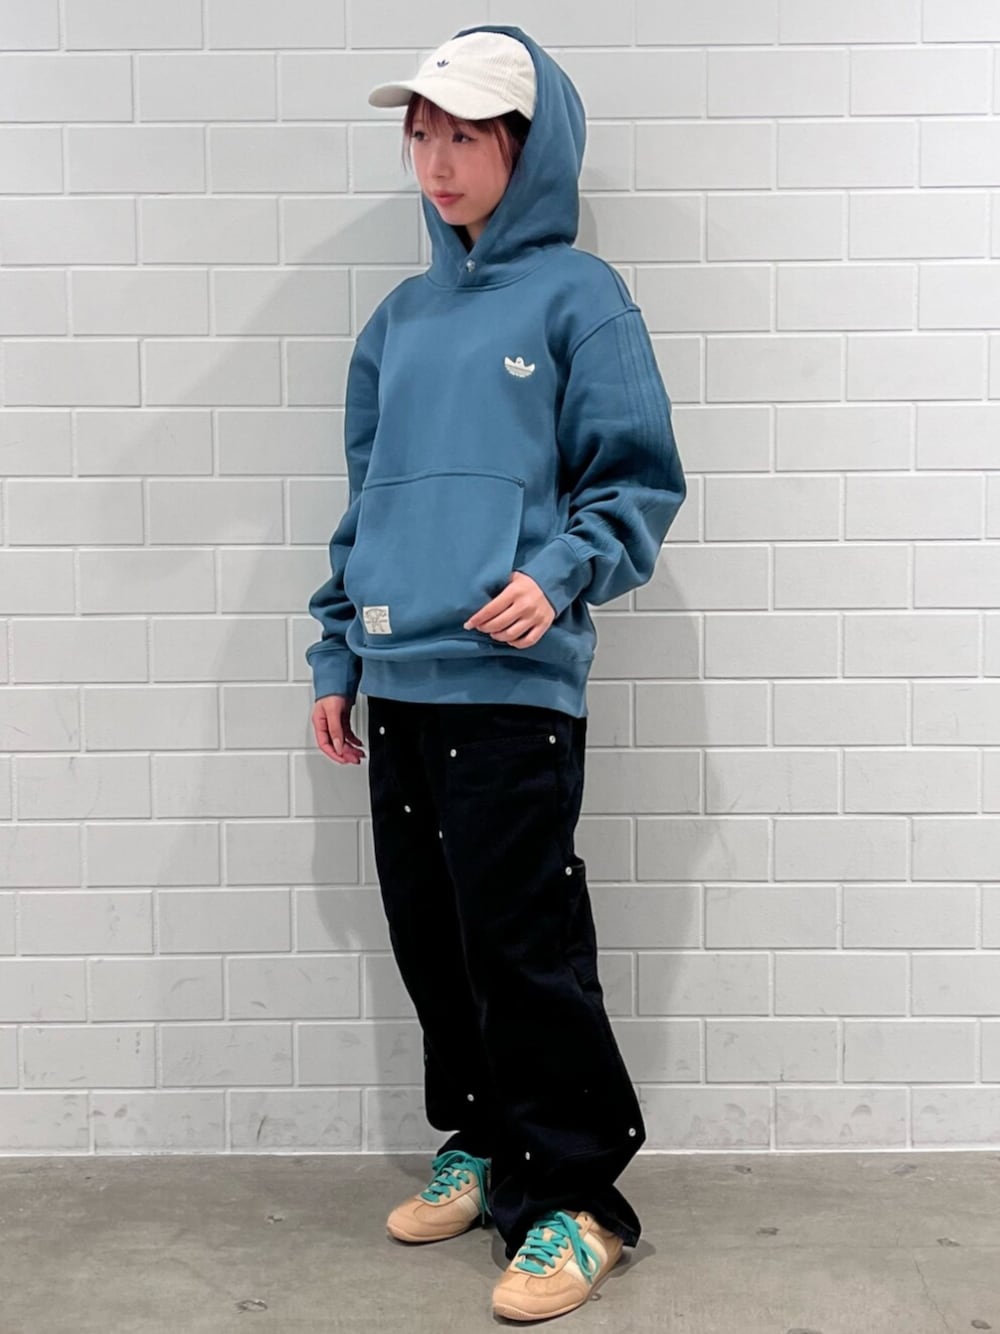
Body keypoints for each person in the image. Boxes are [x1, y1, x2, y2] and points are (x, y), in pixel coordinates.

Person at [305, 24, 686, 1324]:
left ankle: (579, 1198)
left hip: (514, 690)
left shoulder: (581, 297)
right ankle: (480, 1141)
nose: (436, 159)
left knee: (524, 945)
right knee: (434, 935)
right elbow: (367, 505)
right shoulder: (397, 323)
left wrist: (566, 570)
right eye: (421, 132)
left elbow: (635, 479)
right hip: (401, 683)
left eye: (464, 133)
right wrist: (336, 648)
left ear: (528, 146)